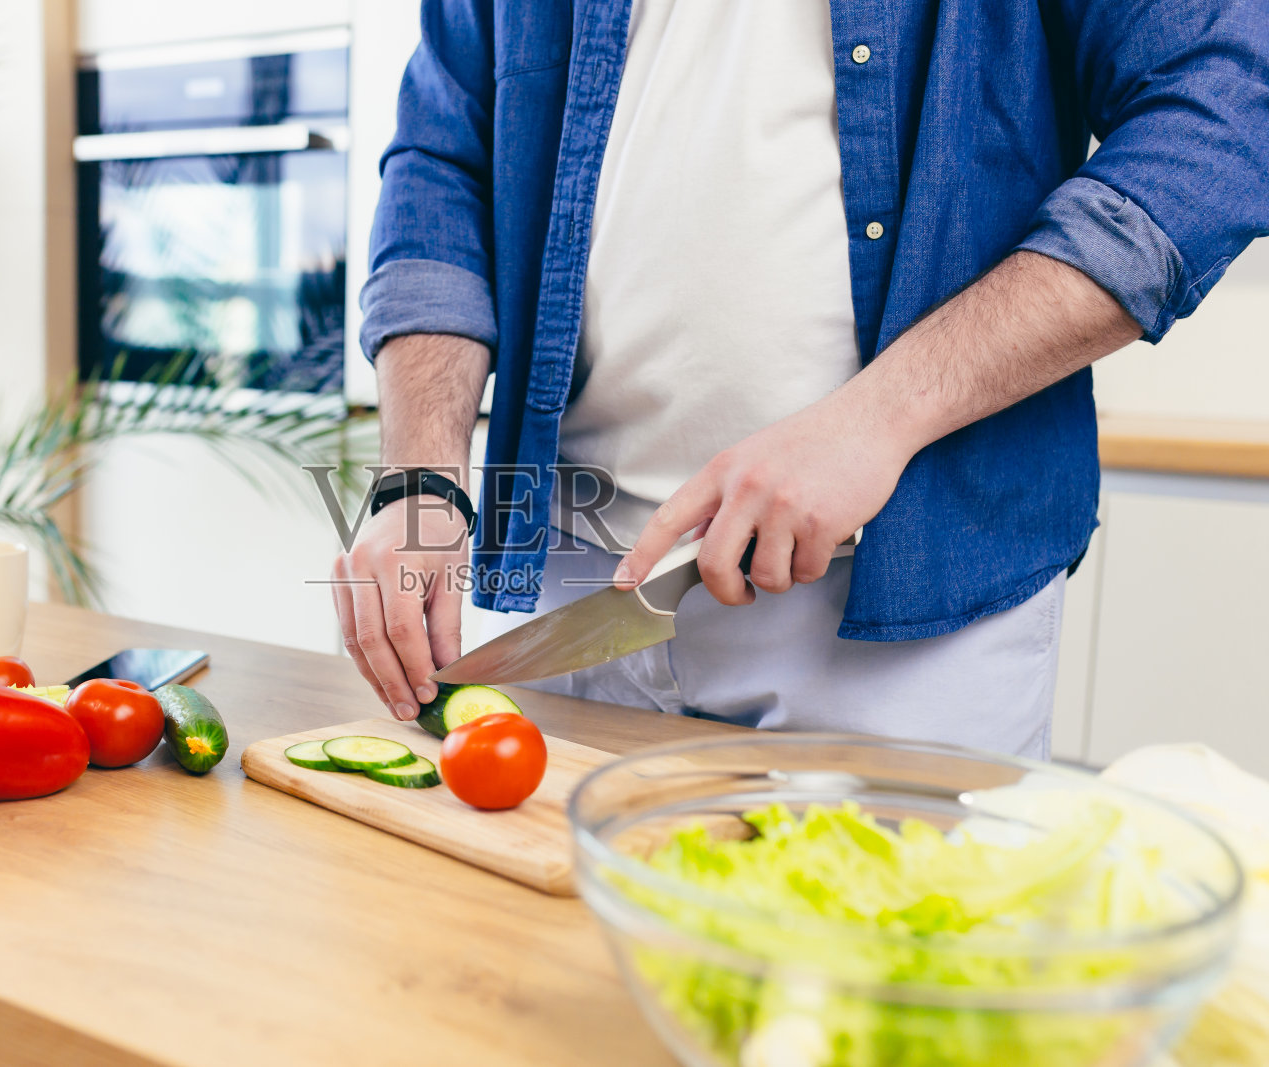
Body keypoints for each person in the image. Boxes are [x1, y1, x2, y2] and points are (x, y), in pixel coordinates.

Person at [330, 0, 1269, 756]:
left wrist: (879, 418)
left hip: (902, 613)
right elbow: (442, 167)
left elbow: (1225, 110)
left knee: (884, 979)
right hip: (576, 588)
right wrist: (420, 475)